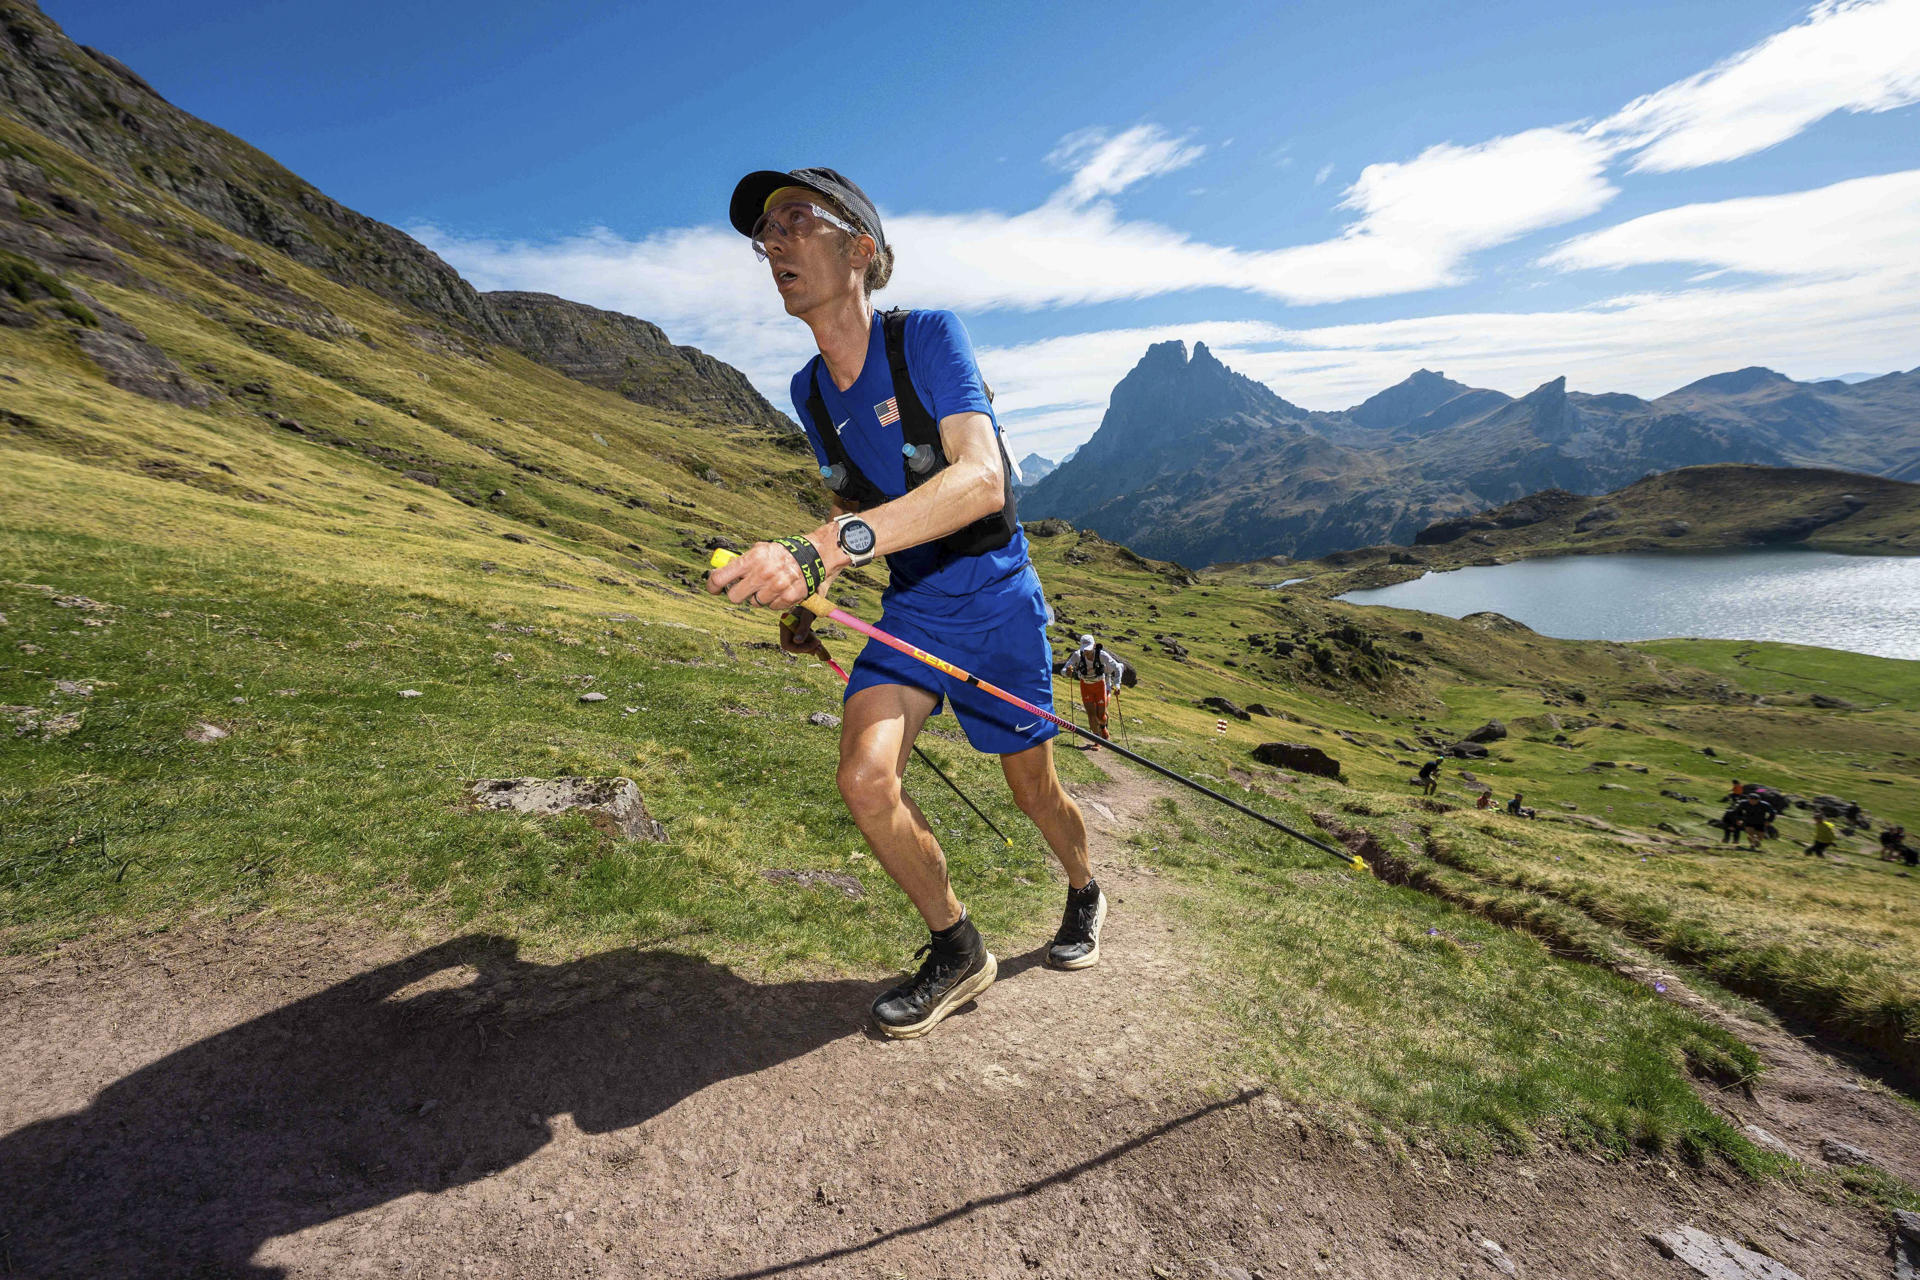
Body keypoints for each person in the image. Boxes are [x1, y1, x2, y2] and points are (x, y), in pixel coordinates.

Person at [708, 167, 1104, 1040]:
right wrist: (811, 590)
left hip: (998, 597)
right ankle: (958, 947)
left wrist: (820, 554)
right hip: (915, 608)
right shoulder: (809, 393)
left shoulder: (926, 337)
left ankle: (1084, 888)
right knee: (864, 776)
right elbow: (855, 507)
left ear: (861, 249)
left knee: (1033, 790)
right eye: (763, 233)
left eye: (795, 221)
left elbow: (979, 477)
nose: (773, 243)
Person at [1057, 635, 1123, 748]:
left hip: (1100, 685)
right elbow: (1063, 670)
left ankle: (1103, 727)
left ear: (1094, 645)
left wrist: (1117, 685)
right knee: (1091, 715)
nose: (1086, 652)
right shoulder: (1077, 655)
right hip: (1085, 686)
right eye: (1084, 649)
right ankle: (1097, 739)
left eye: (1088, 649)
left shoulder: (1102, 655)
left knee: (1101, 716)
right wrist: (1067, 672)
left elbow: (1118, 667)